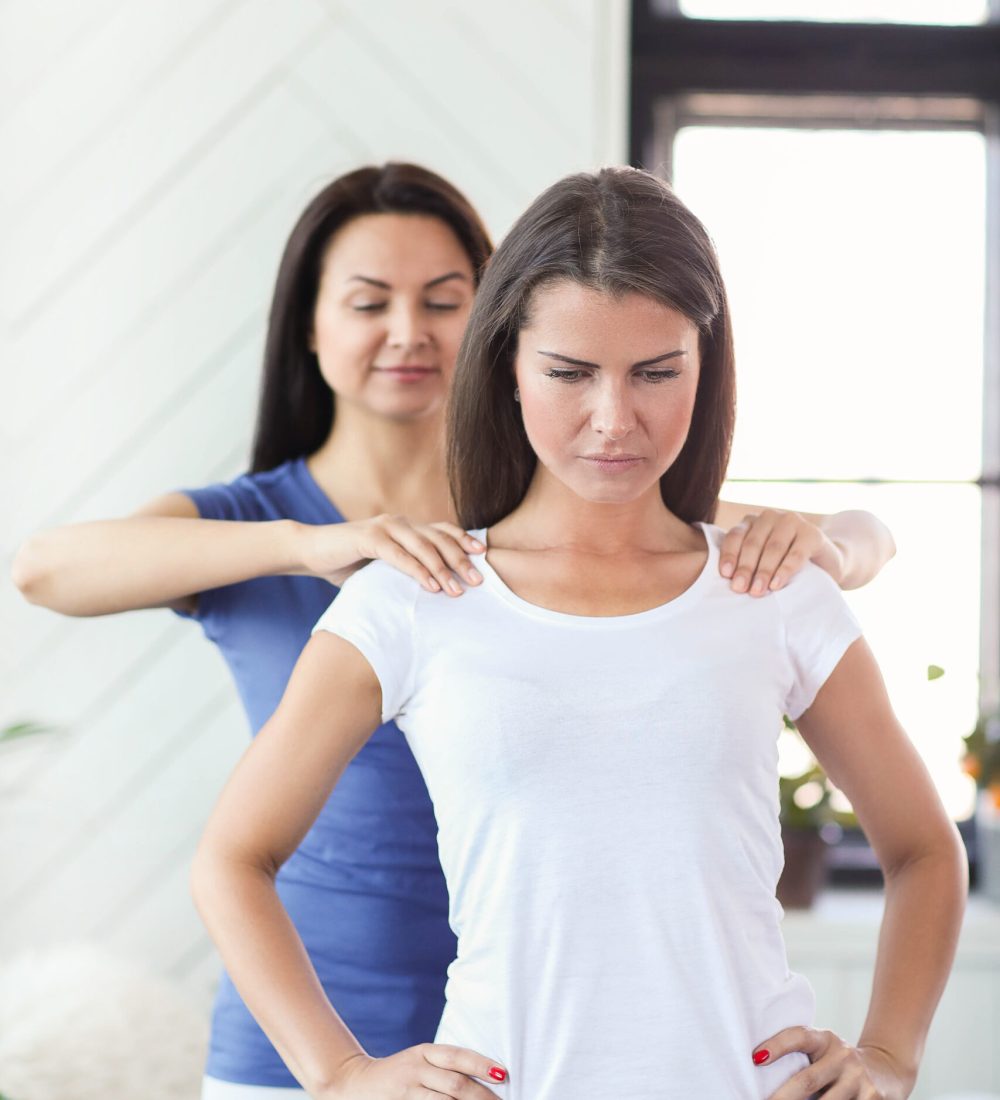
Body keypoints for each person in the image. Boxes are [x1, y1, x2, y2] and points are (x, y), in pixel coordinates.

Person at [14, 164, 897, 1099]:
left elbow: (817, 541)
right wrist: (313, 546)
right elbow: (44, 568)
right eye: (368, 303)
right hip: (315, 1022)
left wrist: (839, 546)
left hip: (511, 1034)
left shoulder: (577, 481)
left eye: (443, 301)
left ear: (490, 324)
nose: (408, 332)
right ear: (310, 327)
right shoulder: (281, 542)